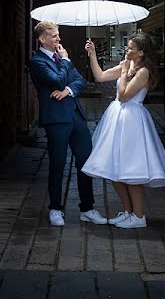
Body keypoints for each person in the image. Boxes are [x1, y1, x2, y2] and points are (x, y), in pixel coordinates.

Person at [81, 32, 165, 228]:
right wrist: (92, 54)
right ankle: (128, 212)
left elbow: (124, 96)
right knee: (114, 169)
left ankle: (139, 217)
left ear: (141, 53)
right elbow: (100, 77)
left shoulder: (143, 72)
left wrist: (124, 73)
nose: (127, 49)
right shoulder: (128, 65)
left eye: (131, 47)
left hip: (132, 121)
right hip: (117, 119)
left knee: (131, 170)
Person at [28, 20, 108, 227]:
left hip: (76, 117)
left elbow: (79, 81)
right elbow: (56, 80)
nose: (59, 39)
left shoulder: (62, 58)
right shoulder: (37, 62)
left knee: (85, 162)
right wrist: (65, 62)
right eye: (54, 36)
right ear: (42, 39)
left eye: (58, 35)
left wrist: (68, 91)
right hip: (56, 120)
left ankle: (87, 208)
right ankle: (55, 208)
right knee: (57, 164)